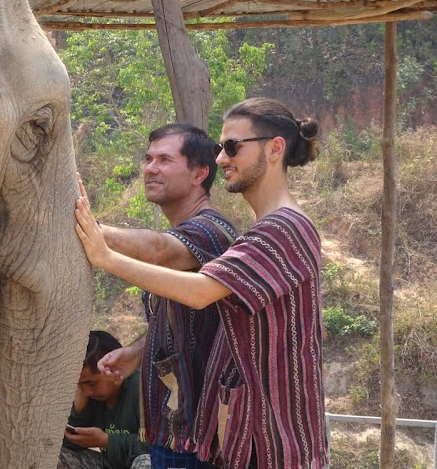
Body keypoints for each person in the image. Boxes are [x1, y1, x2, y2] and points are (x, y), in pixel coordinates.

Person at [74, 98, 329, 469]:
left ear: (275, 148)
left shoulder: (283, 229)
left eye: (231, 148)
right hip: (246, 438)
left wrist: (104, 255)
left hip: (275, 443)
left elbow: (198, 291)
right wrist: (137, 353)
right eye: (218, 149)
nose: (222, 159)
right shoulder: (266, 230)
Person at [81, 124, 238, 469]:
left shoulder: (212, 231)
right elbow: (173, 318)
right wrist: (136, 352)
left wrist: (86, 227)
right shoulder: (186, 231)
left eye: (165, 159)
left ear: (200, 173)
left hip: (204, 436)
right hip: (174, 430)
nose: (150, 168)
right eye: (148, 158)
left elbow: (159, 251)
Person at [59, 330, 150, 469]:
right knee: (55, 456)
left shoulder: (141, 388)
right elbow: (69, 445)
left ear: (114, 370)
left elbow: (157, 447)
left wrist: (107, 441)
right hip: (107, 464)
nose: (87, 392)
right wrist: (79, 409)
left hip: (142, 463)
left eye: (91, 383)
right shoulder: (89, 397)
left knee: (146, 463)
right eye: (79, 385)